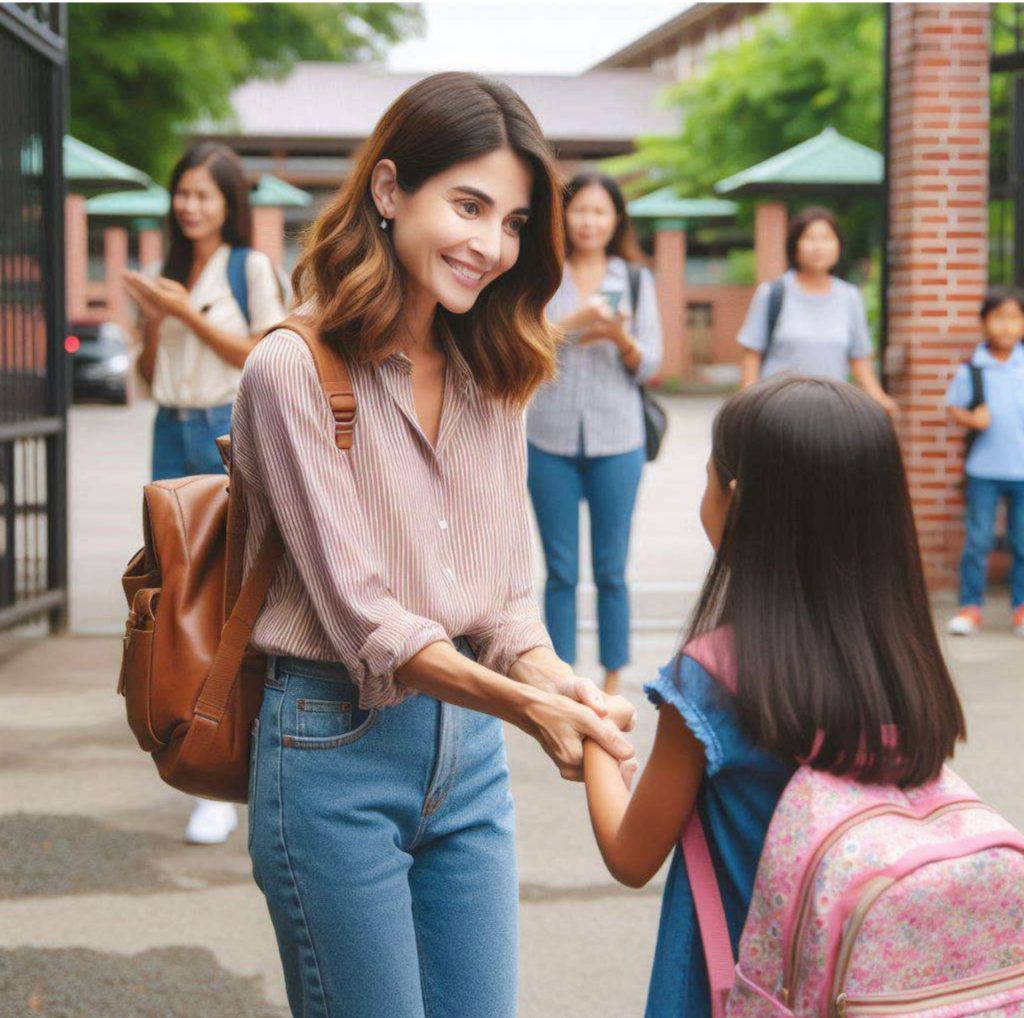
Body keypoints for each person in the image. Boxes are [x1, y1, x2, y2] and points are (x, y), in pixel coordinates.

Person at [230, 73, 637, 1018]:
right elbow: (368, 621)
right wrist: (531, 709)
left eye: (514, 222)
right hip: (332, 748)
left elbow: (500, 599)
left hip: (469, 761)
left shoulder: (495, 364)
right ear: (388, 190)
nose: (491, 245)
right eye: (468, 206)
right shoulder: (291, 369)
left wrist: (560, 683)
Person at [581, 375, 966, 1017]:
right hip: (865, 990)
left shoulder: (712, 679)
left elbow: (630, 853)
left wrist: (596, 733)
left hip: (740, 993)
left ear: (738, 500)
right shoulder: (903, 657)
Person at [123, 142, 287, 845]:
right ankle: (178, 716)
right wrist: (157, 323)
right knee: (171, 587)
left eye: (203, 195)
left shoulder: (249, 269)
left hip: (226, 425)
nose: (189, 206)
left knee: (230, 592)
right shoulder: (169, 269)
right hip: (170, 425)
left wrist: (186, 313)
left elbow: (264, 355)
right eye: (182, 194)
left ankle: (225, 753)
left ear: (229, 203)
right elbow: (147, 373)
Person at [526, 172, 663, 697]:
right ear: (563, 215)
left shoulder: (636, 279)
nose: (589, 221)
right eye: (580, 210)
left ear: (616, 220)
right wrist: (576, 322)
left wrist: (619, 337)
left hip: (618, 439)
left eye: (600, 212)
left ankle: (611, 676)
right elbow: (524, 346)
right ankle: (561, 675)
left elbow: (651, 363)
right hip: (549, 438)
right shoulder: (542, 274)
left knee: (611, 569)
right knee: (560, 570)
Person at [738, 206, 897, 415]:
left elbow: (858, 358)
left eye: (826, 238)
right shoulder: (771, 293)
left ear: (838, 246)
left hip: (830, 412)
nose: (818, 247)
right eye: (810, 238)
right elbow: (752, 355)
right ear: (795, 245)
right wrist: (745, 407)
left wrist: (879, 398)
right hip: (777, 412)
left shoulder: (850, 297)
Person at [945, 287, 1024, 638]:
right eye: (999, 318)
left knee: (1022, 543)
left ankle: (1021, 609)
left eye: (1015, 318)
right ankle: (970, 607)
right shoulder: (973, 369)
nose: (1007, 326)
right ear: (984, 322)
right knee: (978, 541)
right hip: (984, 471)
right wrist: (971, 419)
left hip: (1022, 471)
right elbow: (953, 408)